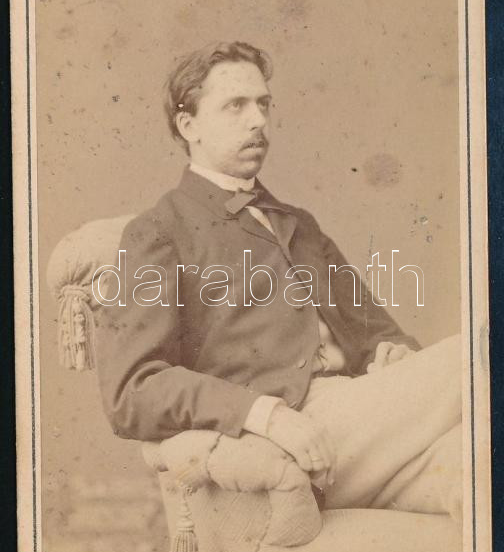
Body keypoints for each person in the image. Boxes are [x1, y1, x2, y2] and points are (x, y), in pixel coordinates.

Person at [96, 40, 461, 515]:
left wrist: (392, 353)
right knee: (479, 354)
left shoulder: (298, 224)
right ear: (189, 126)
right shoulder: (160, 232)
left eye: (263, 104)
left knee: (475, 469)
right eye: (236, 106)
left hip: (369, 424)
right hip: (295, 435)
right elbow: (132, 391)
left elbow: (379, 333)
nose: (258, 121)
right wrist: (264, 414)